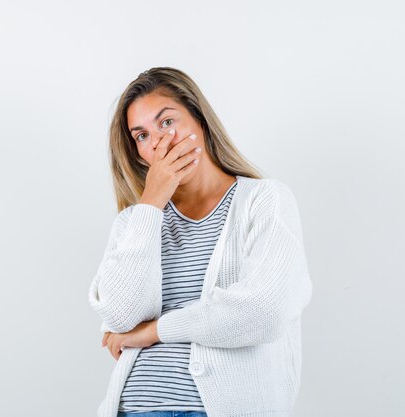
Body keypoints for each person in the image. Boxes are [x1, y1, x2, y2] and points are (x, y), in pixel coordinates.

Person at [88, 67, 313, 417]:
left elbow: (263, 312)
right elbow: (120, 318)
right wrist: (151, 202)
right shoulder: (135, 222)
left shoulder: (264, 200)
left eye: (166, 122)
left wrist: (154, 332)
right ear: (138, 153)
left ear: (200, 121)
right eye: (142, 135)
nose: (160, 142)